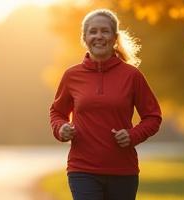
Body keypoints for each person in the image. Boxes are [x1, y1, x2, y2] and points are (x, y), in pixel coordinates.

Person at [49, 8, 162, 200]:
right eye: (93, 32)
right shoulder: (72, 76)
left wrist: (132, 135)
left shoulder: (132, 76)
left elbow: (153, 117)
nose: (98, 36)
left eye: (105, 31)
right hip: (82, 169)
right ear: (84, 38)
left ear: (114, 37)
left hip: (123, 170)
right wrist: (61, 129)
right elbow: (57, 112)